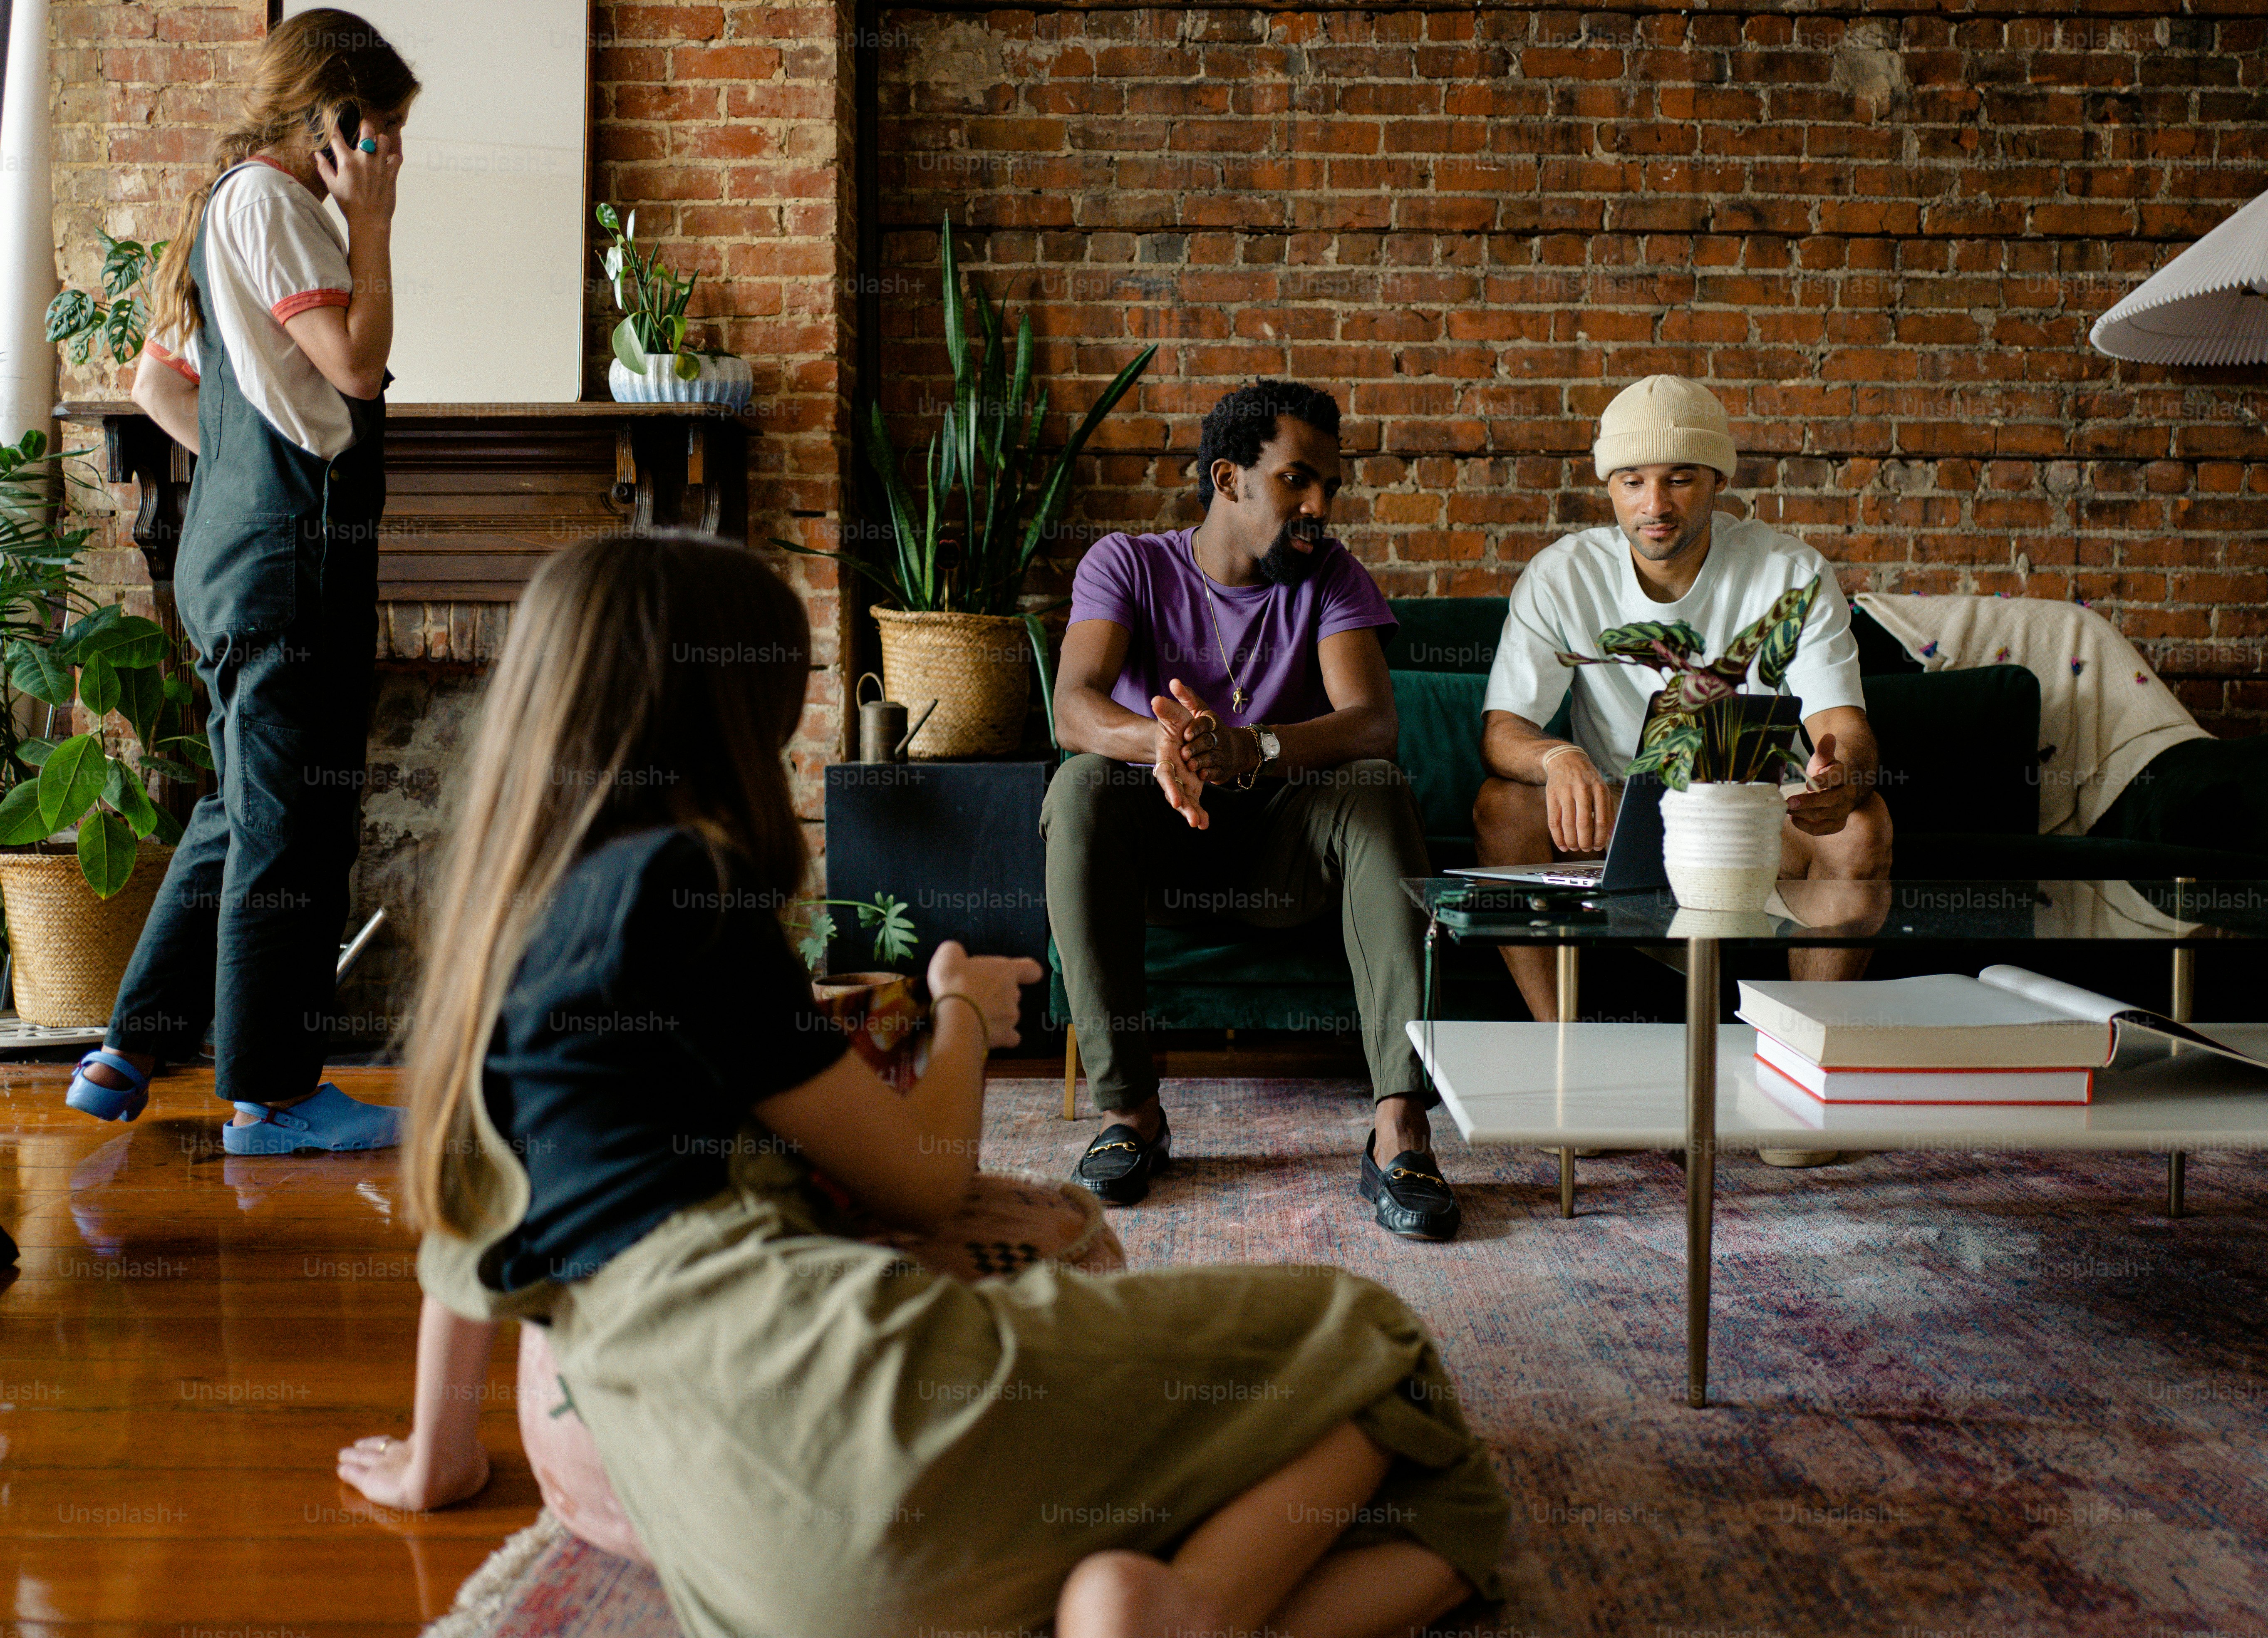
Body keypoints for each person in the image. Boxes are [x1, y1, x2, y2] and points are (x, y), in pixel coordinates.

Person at [346, 531, 1507, 1638]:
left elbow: (460, 1250)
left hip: (742, 1563)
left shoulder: (496, 947)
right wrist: (964, 1012)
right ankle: (1185, 1609)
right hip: (864, 1416)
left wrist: (433, 1457)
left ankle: (1120, 1590)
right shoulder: (679, 878)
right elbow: (922, 1183)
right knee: (1377, 1339)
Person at [64, 10, 417, 1154]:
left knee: (236, 808)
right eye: (385, 134)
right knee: (292, 825)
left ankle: (128, 1048)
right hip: (289, 567)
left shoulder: (239, 207)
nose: (392, 156)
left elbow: (161, 384)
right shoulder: (272, 205)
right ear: (337, 119)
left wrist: (244, 469)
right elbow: (356, 365)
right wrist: (374, 227)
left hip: (245, 554)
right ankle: (268, 1096)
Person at [1042, 379, 1458, 1241]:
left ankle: (1399, 1128)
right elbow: (1072, 706)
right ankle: (1130, 1116)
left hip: (1287, 855)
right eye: (1296, 481)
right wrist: (1162, 746)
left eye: (1330, 488)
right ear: (1227, 479)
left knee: (1379, 787)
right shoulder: (1126, 563)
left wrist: (1251, 747)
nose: (1318, 507)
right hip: (1163, 844)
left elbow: (1372, 724)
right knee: (1079, 785)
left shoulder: (1331, 577)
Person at [1474, 375, 1893, 1147]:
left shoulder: (1789, 570)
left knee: (1863, 827)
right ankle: (1566, 1061)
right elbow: (1503, 729)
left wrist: (1842, 775)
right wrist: (1556, 754)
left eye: (1679, 478)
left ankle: (1800, 1087)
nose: (1654, 504)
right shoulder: (1561, 573)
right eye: (1632, 481)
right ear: (1608, 487)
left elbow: (1845, 725)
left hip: (1760, 817)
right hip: (1619, 823)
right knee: (1501, 805)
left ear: (1718, 482)